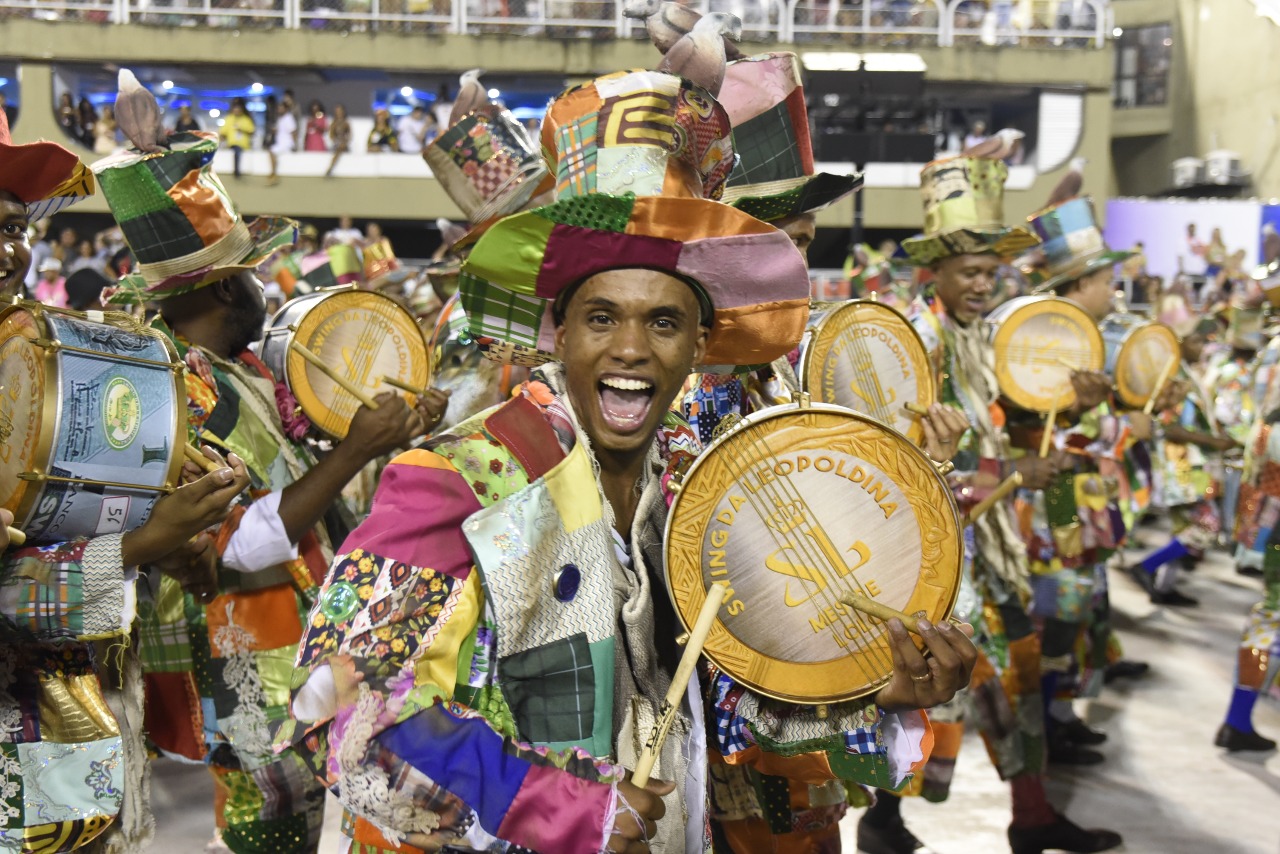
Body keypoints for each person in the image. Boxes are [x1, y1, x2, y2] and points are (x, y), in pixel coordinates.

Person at [284, 65, 977, 854]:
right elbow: (338, 707)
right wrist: (568, 811)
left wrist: (868, 697)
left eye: (664, 323)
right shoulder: (459, 484)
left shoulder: (686, 488)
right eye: (602, 316)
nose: (629, 350)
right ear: (558, 330)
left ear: (699, 346)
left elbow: (713, 698)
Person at [94, 105, 445, 854]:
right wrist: (352, 452)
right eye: (250, 273)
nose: (262, 287)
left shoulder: (240, 370)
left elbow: (297, 478)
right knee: (268, 828)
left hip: (299, 644)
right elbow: (235, 545)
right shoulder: (174, 389)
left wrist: (395, 426)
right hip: (244, 657)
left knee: (351, 804)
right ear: (225, 290)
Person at [691, 52, 970, 854]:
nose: (793, 270)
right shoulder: (651, 399)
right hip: (712, 765)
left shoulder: (790, 375)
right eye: (767, 240)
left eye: (803, 242)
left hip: (807, 746)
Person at [1, 110, 253, 853]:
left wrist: (175, 535)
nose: (8, 251)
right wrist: (143, 543)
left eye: (14, 226)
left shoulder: (43, 360)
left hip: (71, 750)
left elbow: (74, 532)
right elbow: (13, 600)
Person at [899, 155, 1123, 854]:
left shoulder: (980, 338)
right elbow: (911, 457)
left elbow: (1011, 428)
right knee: (929, 691)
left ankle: (1030, 818)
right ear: (932, 270)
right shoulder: (916, 339)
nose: (983, 285)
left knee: (1014, 674)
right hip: (937, 550)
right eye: (969, 272)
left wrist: (1067, 419)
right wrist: (1015, 468)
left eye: (991, 274)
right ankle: (885, 816)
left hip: (991, 546)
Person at [218, 97, 256, 178]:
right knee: (236, 150)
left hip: (243, 144)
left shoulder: (247, 119)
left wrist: (242, 129)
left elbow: (252, 131)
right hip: (232, 144)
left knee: (237, 151)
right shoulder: (229, 118)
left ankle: (237, 172)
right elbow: (223, 132)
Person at [268, 97, 297, 186]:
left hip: (286, 144)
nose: (279, 109)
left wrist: (294, 145)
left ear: (286, 109)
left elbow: (293, 132)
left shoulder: (288, 118)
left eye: (281, 108)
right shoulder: (281, 119)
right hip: (280, 143)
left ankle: (274, 173)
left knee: (272, 151)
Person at [325, 102, 351, 177]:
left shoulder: (346, 123)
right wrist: (336, 141)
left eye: (340, 111)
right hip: (336, 144)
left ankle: (331, 167)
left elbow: (349, 135)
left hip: (344, 145)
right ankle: (331, 166)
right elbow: (331, 135)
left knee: (341, 147)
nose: (339, 113)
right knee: (338, 149)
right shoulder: (334, 123)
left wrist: (345, 141)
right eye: (337, 111)